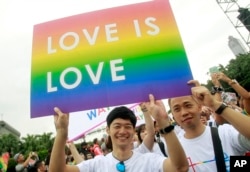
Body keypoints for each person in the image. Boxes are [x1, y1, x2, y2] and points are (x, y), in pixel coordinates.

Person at [49, 94, 188, 172]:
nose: (122, 131)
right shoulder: (96, 165)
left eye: (128, 126)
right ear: (108, 130)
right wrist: (61, 132)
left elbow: (180, 168)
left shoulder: (150, 160)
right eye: (117, 126)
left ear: (134, 130)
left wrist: (163, 122)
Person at [168, 80, 250, 171]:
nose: (184, 113)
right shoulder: (175, 149)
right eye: (177, 109)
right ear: (173, 115)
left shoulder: (225, 133)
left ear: (199, 107)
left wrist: (214, 104)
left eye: (188, 105)